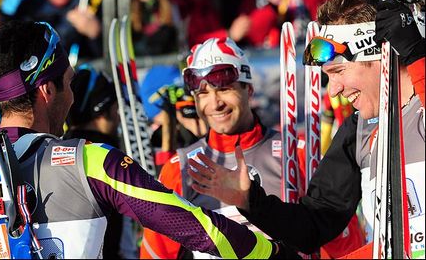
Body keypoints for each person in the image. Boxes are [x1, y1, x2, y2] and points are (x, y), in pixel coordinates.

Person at [0, 20, 286, 259]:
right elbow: (198, 228)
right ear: (47, 91)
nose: (71, 97)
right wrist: (271, 253)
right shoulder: (88, 159)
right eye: (68, 84)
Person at [187, 0, 425, 258]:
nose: (333, 90)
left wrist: (416, 54)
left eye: (338, 72)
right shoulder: (359, 128)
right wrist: (251, 201)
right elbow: (315, 224)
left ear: (378, 54)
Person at [140, 37, 365, 259]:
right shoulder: (179, 170)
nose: (215, 103)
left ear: (248, 89)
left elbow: (344, 244)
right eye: (203, 94)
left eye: (225, 89)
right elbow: (156, 253)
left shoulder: (297, 153)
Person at [63, 65, 123, 258]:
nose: (119, 115)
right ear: (103, 109)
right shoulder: (106, 157)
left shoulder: (55, 150)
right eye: (115, 106)